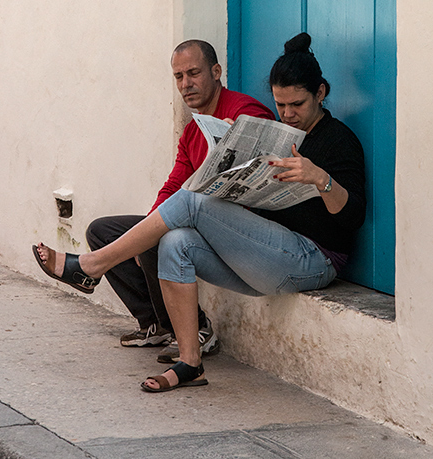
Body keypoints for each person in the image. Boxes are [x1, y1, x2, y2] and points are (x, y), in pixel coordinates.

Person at [33, 33, 366, 392]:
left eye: (297, 105)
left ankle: (91, 266)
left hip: (312, 259)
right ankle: (191, 362)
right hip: (266, 258)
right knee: (175, 241)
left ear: (320, 93)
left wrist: (321, 179)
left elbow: (351, 220)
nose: (287, 115)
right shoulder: (281, 133)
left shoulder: (338, 139)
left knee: (192, 200)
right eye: (280, 105)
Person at [80, 40, 275, 362]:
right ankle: (155, 323)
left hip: (237, 230)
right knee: (104, 231)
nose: (186, 84)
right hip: (196, 219)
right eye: (179, 76)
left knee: (163, 237)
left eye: (194, 73)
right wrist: (144, 230)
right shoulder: (191, 131)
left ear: (216, 72)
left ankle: (197, 330)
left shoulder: (245, 112)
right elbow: (173, 185)